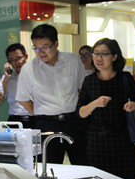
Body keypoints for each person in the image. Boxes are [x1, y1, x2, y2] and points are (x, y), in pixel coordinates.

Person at [16, 24, 87, 165]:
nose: (41, 52)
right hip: (47, 124)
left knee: (82, 163)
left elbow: (82, 89)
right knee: (49, 167)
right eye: (36, 48)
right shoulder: (29, 69)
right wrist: (40, 113)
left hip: (74, 121)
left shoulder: (73, 61)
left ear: (56, 44)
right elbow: (23, 98)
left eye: (45, 47)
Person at [77, 38, 135, 179]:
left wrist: (133, 105)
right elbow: (81, 112)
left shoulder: (125, 78)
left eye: (104, 54)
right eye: (95, 54)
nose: (98, 58)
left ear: (114, 56)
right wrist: (95, 103)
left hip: (122, 141)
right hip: (97, 142)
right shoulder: (89, 81)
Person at [3, 43, 34, 129]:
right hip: (14, 119)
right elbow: (0, 97)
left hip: (34, 118)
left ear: (26, 56)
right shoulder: (8, 77)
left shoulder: (36, 73)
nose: (16, 62)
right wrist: (6, 78)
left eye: (19, 58)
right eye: (12, 60)